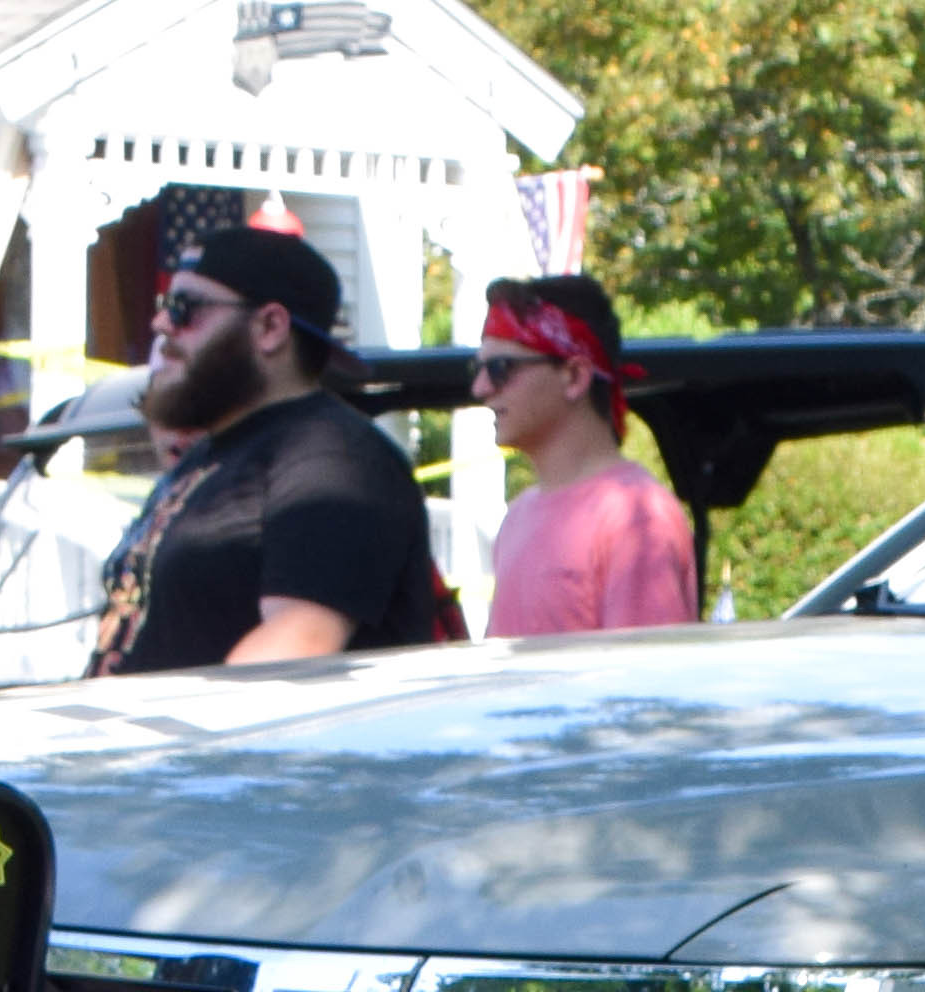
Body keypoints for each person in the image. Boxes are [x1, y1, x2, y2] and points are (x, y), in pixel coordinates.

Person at [83, 228, 443, 676]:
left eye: (185, 309)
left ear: (270, 327)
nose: (161, 325)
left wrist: (174, 738)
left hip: (215, 744)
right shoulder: (211, 456)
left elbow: (295, 645)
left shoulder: (334, 459)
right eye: (164, 306)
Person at [471, 275, 698, 635]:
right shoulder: (518, 516)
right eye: (478, 369)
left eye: (500, 369)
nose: (480, 388)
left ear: (575, 375)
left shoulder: (636, 519)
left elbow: (647, 685)